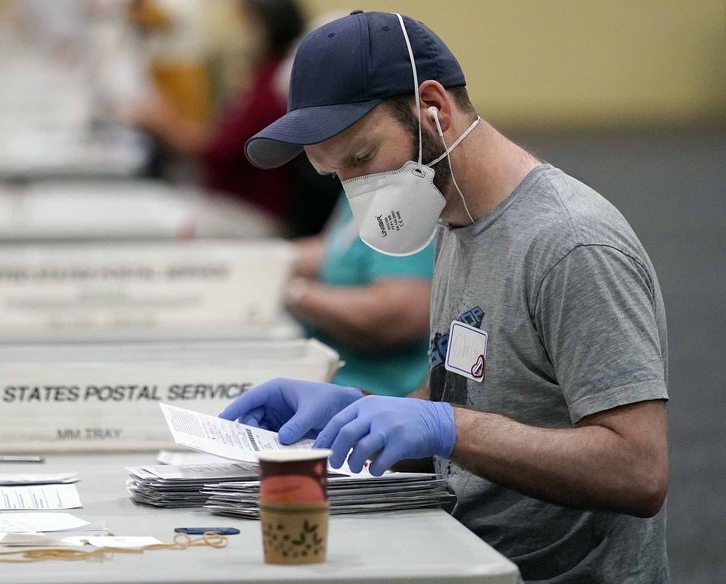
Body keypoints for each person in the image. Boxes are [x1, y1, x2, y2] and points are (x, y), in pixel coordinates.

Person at [219, 11, 669, 582]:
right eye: (337, 176)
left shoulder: (570, 244)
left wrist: (445, 428)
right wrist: (350, 411)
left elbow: (639, 470)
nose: (361, 192)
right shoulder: (455, 222)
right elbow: (466, 397)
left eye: (362, 158)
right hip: (463, 548)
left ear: (432, 107)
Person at [131, 0, 326, 231]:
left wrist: (166, 123)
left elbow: (221, 150)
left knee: (150, 222)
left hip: (251, 212)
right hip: (228, 203)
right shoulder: (260, 77)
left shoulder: (276, 85)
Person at [286, 196, 432, 396]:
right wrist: (266, 261)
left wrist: (298, 294)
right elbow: (334, 253)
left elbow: (398, 314)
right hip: (327, 373)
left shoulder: (404, 201)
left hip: (371, 390)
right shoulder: (361, 189)